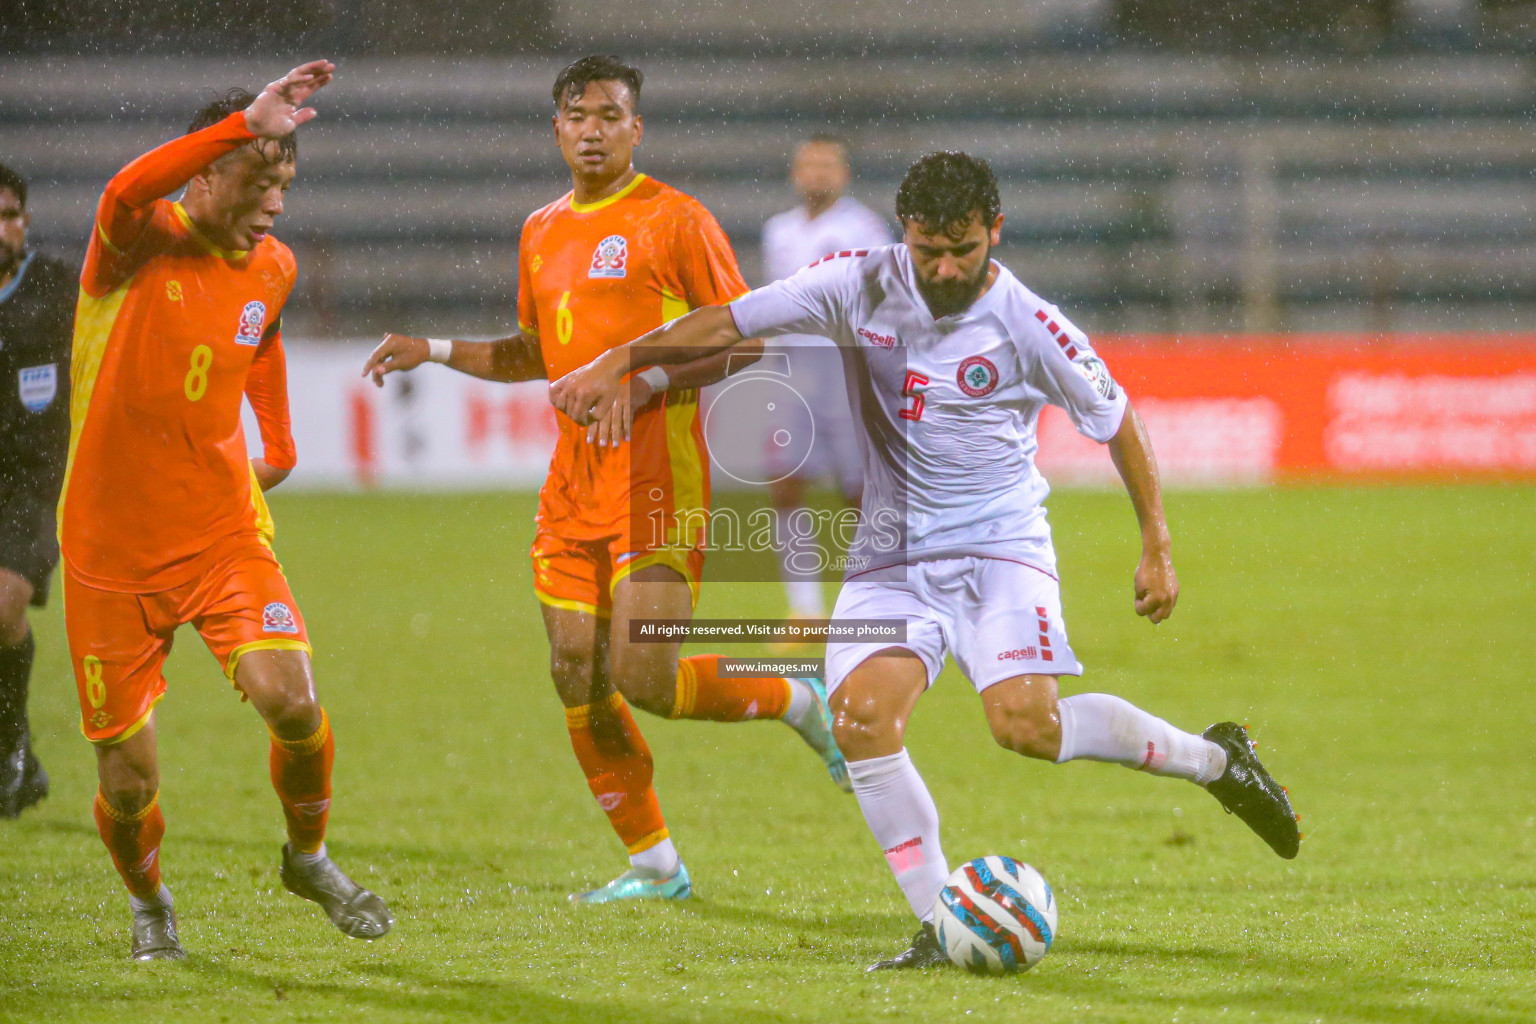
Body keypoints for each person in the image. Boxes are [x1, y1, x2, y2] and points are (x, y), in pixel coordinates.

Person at [551, 151, 1302, 969]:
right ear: (904, 233)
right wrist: (616, 360)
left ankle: (1217, 760)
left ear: (995, 233)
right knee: (863, 720)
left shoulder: (1029, 323)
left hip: (998, 546)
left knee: (1028, 727)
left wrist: (1156, 545)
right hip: (891, 551)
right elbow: (729, 321)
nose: (944, 267)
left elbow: (1117, 421)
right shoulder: (857, 281)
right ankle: (939, 925)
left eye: (964, 249)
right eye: (928, 248)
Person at [362, 55, 849, 906]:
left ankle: (794, 700)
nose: (593, 129)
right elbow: (534, 356)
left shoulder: (676, 220)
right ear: (556, 129)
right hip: (573, 483)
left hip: (660, 479)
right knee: (572, 665)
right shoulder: (540, 230)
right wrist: (433, 349)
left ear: (636, 128)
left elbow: (750, 342)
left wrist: (645, 379)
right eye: (577, 115)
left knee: (644, 679)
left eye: (609, 115)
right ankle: (656, 864)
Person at [63, 61, 393, 961]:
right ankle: (150, 902)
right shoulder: (135, 242)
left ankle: (309, 857)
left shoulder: (272, 266)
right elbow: (126, 184)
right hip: (108, 556)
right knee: (128, 781)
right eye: (258, 181)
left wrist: (278, 444)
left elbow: (262, 337)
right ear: (204, 174)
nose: (275, 205)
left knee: (291, 697)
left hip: (219, 532)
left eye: (284, 185)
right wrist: (241, 122)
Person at [759, 136, 892, 631]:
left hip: (846, 376)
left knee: (858, 493)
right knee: (786, 486)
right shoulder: (778, 232)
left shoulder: (864, 228)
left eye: (827, 165)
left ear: (844, 174)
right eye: (808, 165)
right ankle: (804, 611)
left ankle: (869, 600)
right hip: (793, 378)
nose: (817, 174)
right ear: (795, 174)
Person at [0, 162, 73, 818]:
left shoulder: (54, 286)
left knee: (2, 608)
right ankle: (16, 742)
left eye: (9, 215)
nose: (1, 229)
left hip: (28, 485)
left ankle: (8, 745)